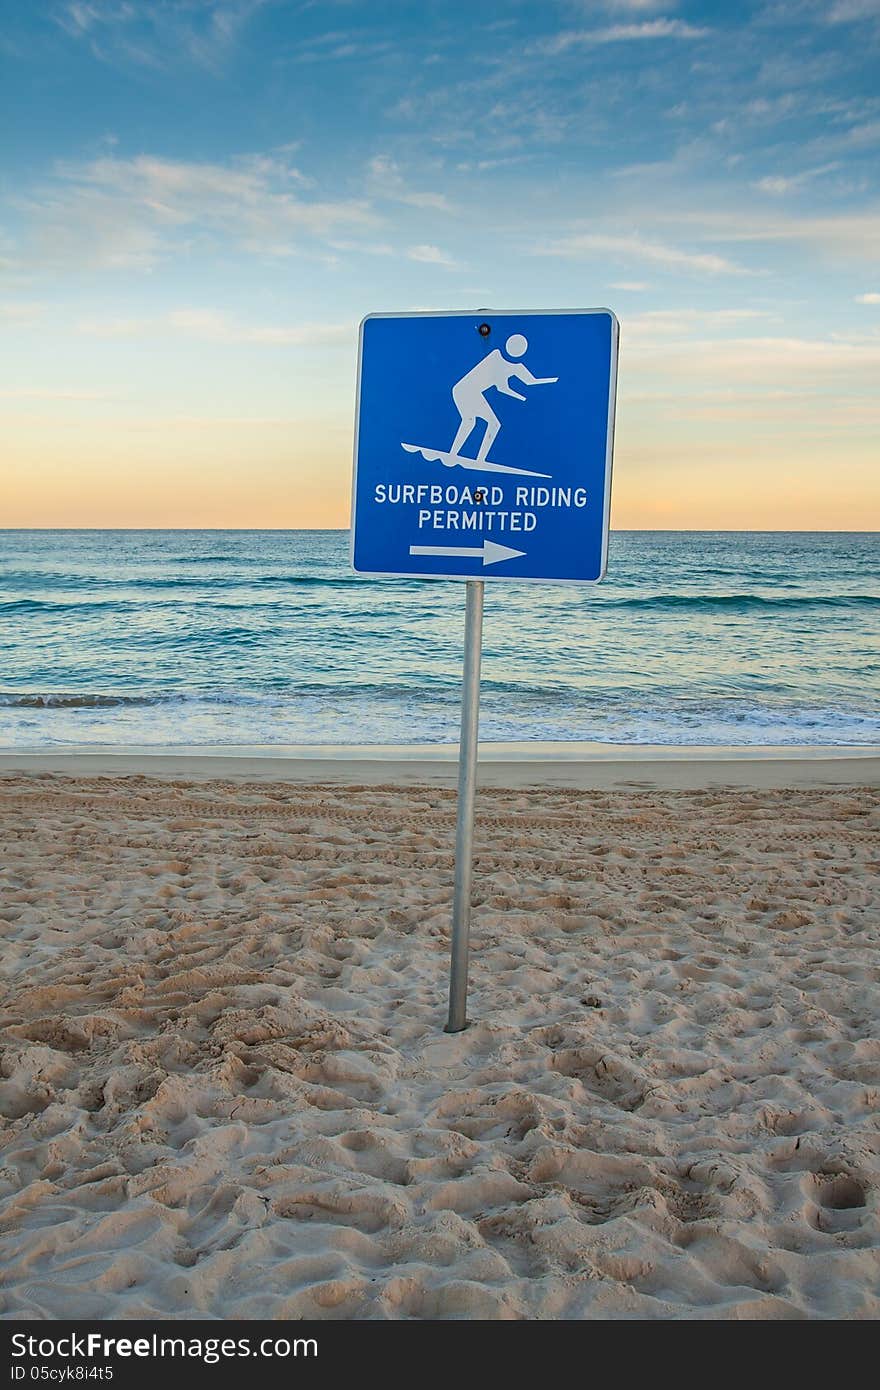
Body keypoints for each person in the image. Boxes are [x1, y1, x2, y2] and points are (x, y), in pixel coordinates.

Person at [449, 334, 557, 462]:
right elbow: (502, 387)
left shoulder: (517, 367)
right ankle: (463, 457)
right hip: (464, 390)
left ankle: (473, 459)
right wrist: (521, 397)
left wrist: (551, 380)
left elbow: (530, 381)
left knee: (482, 423)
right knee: (476, 422)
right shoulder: (496, 357)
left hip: (471, 392)